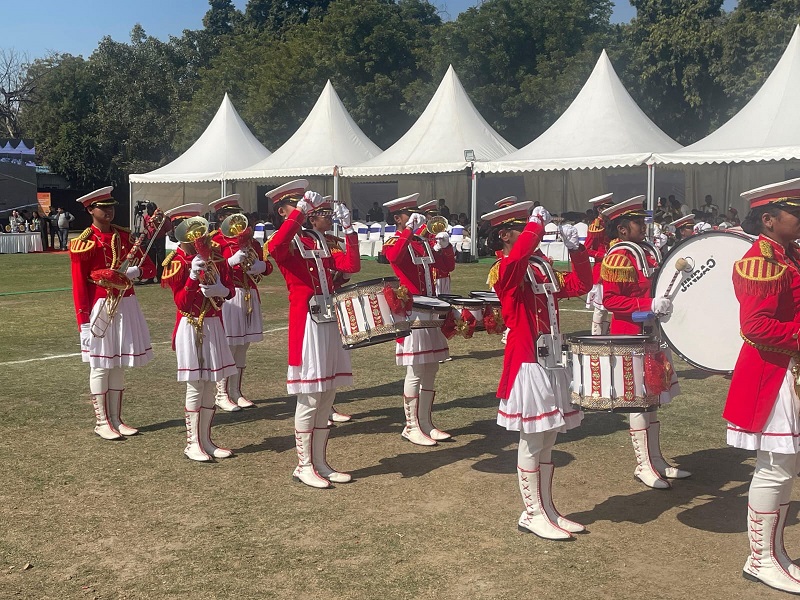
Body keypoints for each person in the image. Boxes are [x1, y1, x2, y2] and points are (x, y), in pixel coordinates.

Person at [482, 200, 591, 539]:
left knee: (549, 438)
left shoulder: (540, 265)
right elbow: (516, 262)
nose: (536, 233)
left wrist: (577, 251)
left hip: (551, 357)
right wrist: (534, 226)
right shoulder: (505, 267)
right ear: (505, 234)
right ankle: (532, 513)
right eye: (524, 228)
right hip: (527, 361)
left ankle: (547, 510)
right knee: (532, 439)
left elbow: (581, 285)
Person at [723, 178, 800, 594]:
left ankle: (776, 553)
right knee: (774, 468)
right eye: (795, 212)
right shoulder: (761, 262)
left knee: (787, 468)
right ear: (769, 219)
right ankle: (760, 559)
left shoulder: (789, 255)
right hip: (771, 374)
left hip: (788, 370)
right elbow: (755, 326)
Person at [267, 180, 360, 488]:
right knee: (309, 396)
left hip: (329, 318)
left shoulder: (316, 237)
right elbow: (276, 248)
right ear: (284, 211)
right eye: (295, 205)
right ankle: (303, 465)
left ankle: (320, 462)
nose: (305, 209)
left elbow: (351, 265)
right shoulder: (286, 238)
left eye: (304, 204)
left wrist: (349, 230)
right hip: (307, 322)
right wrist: (300, 212)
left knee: (327, 393)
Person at [600, 196, 690, 489]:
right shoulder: (618, 257)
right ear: (623, 229)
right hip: (629, 334)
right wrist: (647, 304)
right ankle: (643, 464)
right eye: (638, 222)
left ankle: (657, 460)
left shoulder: (647, 251)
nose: (644, 226)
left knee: (653, 399)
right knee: (638, 400)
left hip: (651, 333)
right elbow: (611, 301)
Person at [69, 186, 155, 441]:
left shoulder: (125, 237)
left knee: (117, 364)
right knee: (100, 366)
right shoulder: (84, 242)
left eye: (111, 207)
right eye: (103, 207)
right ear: (90, 210)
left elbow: (150, 269)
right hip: (100, 306)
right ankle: (101, 421)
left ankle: (116, 419)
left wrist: (136, 272)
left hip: (126, 304)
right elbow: (79, 286)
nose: (109, 211)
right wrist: (83, 323)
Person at [161, 203, 237, 462]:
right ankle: (192, 443)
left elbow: (230, 290)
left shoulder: (215, 256)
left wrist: (221, 290)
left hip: (213, 323)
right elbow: (182, 303)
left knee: (209, 385)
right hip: (190, 324)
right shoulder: (175, 262)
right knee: (195, 385)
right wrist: (193, 277)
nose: (196, 237)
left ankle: (206, 440)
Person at [382, 194, 455, 446]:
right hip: (411, 311)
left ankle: (426, 423)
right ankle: (410, 426)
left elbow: (446, 268)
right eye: (409, 214)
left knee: (431, 367)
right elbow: (393, 257)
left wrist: (445, 247)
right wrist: (408, 231)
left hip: (431, 309)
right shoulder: (396, 240)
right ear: (398, 218)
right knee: (415, 369)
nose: (417, 218)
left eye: (418, 214)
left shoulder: (423, 243)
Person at [209, 194, 271, 412]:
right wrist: (229, 262)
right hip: (230, 295)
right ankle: (221, 393)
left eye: (238, 216)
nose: (236, 221)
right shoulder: (215, 241)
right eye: (230, 216)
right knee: (229, 346)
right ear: (221, 217)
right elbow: (210, 270)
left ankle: (236, 391)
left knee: (243, 346)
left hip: (249, 294)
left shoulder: (251, 241)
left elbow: (266, 264)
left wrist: (262, 267)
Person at [583, 193, 614, 335]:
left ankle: (605, 333)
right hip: (601, 268)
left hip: (613, 267)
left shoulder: (612, 223)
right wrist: (602, 255)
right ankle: (596, 335)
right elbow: (587, 249)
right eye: (607, 207)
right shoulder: (595, 226)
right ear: (600, 209)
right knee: (600, 307)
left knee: (609, 305)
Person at [417, 199, 455, 295]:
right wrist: (434, 248)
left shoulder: (440, 228)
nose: (434, 217)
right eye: (432, 215)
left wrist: (445, 245)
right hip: (429, 271)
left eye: (436, 214)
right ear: (426, 216)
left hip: (442, 270)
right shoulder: (421, 231)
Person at [140, 203, 171, 284]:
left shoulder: (162, 217)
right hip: (150, 239)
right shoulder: (146, 217)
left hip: (160, 240)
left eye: (151, 210)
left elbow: (168, 228)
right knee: (151, 259)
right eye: (148, 210)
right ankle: (150, 277)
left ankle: (160, 277)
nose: (149, 212)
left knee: (161, 259)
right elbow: (146, 227)